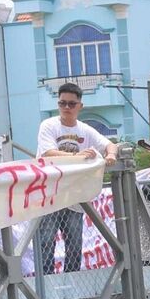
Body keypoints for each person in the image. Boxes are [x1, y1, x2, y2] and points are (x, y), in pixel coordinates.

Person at [34, 83, 117, 276]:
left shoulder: (85, 130)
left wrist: (110, 156)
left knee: (74, 243)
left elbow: (109, 145)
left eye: (71, 104)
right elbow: (48, 153)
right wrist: (80, 157)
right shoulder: (49, 125)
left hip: (73, 196)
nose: (67, 108)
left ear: (80, 106)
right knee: (45, 241)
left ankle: (72, 280)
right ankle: (46, 284)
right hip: (49, 194)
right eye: (63, 103)